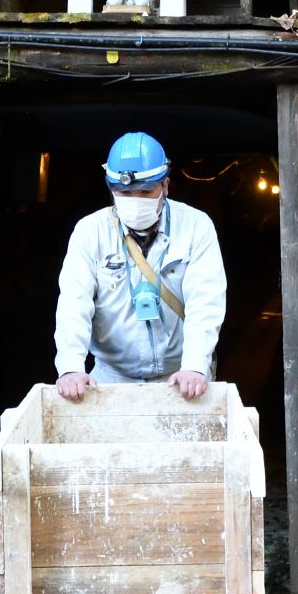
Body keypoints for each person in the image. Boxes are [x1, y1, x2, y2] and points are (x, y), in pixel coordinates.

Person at [54, 132, 226, 402]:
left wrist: (194, 366)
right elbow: (74, 303)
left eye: (146, 192)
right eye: (124, 193)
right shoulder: (89, 231)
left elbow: (206, 301)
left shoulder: (195, 226)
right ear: (111, 189)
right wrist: (70, 368)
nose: (135, 199)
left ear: (165, 186)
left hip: (180, 378)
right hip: (111, 377)